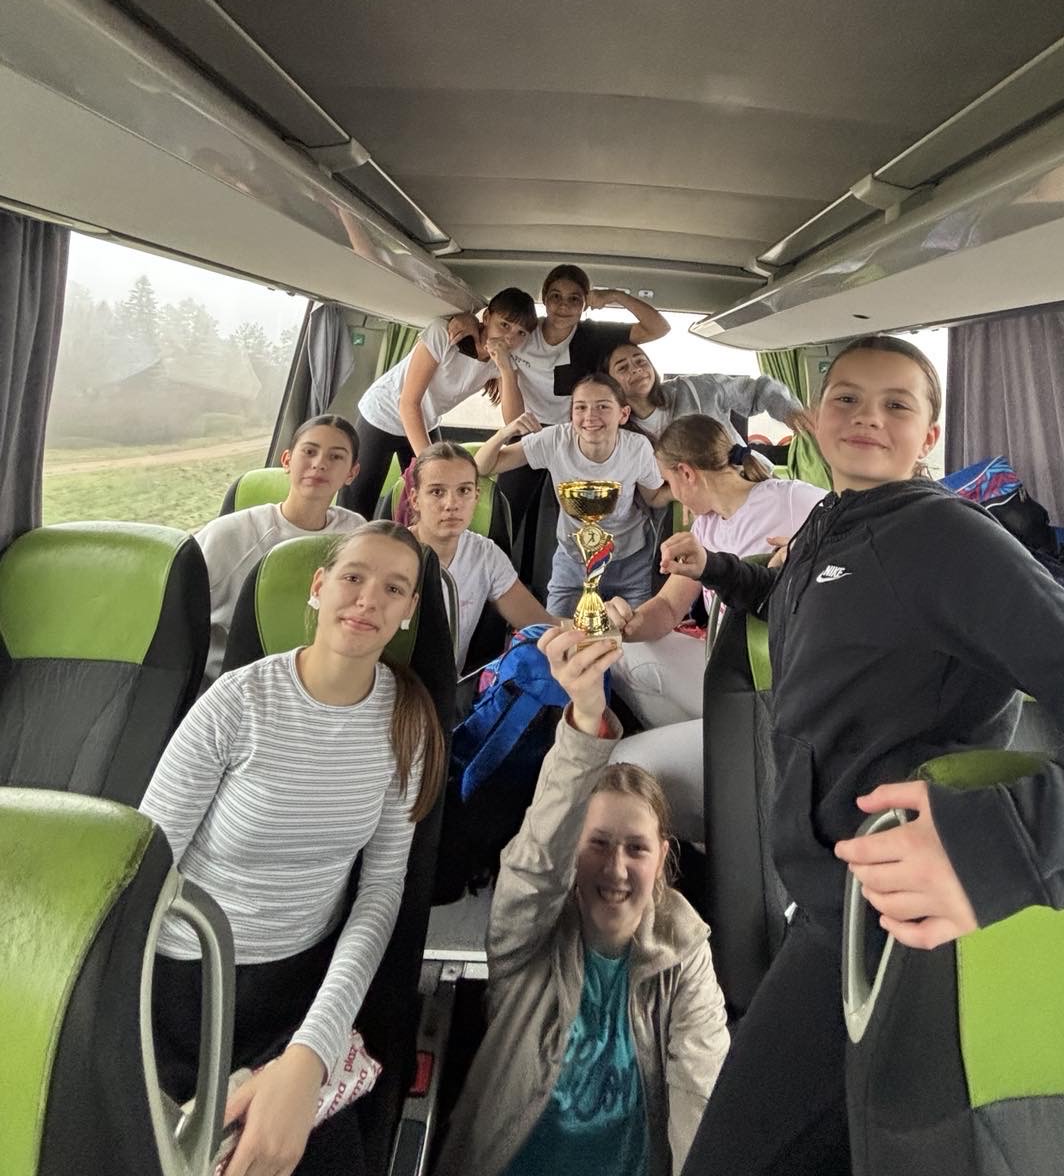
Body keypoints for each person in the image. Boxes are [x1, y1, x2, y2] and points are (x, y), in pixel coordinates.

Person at [656, 334, 1064, 1176]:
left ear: (929, 436)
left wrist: (1003, 846)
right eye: (846, 398)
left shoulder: (945, 538)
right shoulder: (834, 522)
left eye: (896, 404)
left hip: (891, 927)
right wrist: (726, 571)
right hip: (827, 905)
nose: (867, 417)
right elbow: (810, 596)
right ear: (812, 420)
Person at [141, 522, 446, 1176]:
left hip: (300, 988)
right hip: (180, 982)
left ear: (408, 611)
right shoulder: (236, 703)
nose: (369, 599)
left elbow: (379, 895)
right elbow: (144, 868)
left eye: (394, 589)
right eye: (353, 577)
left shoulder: (408, 724)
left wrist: (312, 1049)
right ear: (318, 587)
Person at [433, 625, 729, 1176]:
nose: (616, 869)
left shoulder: (684, 951)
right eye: (597, 844)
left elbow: (700, 1088)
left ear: (663, 856)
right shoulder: (528, 939)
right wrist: (587, 715)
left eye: (636, 849)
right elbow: (536, 859)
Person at [601, 416, 824, 842]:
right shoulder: (706, 526)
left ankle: (718, 795)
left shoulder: (790, 500)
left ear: (686, 473)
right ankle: (713, 770)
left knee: (625, 764)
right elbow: (669, 607)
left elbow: (852, 530)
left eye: (669, 482)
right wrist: (627, 623)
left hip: (776, 686)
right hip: (727, 673)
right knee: (625, 653)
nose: (670, 494)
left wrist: (805, 552)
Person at [474, 374, 672, 615]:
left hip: (630, 561)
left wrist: (683, 490)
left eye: (603, 406)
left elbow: (653, 498)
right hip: (572, 561)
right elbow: (483, 466)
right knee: (556, 631)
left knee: (636, 634)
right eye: (580, 407)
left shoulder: (637, 447)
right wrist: (505, 433)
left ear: (623, 414)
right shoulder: (555, 439)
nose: (590, 416)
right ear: (571, 415)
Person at [196, 414, 365, 677]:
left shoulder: (355, 533)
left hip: (318, 674)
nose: (320, 464)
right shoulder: (229, 534)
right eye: (309, 452)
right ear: (286, 460)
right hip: (233, 674)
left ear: (352, 473)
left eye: (336, 457)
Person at [345, 288, 538, 517]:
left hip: (425, 420)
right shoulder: (444, 333)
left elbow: (513, 421)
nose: (510, 338)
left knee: (434, 501)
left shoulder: (504, 361)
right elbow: (408, 403)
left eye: (520, 333)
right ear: (486, 317)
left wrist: (505, 368)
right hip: (382, 414)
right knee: (357, 506)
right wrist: (430, 463)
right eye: (504, 325)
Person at [405, 441, 563, 669]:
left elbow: (544, 626)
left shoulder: (485, 556)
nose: (451, 504)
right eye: (437, 492)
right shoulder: (388, 553)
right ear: (415, 499)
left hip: (450, 686)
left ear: (476, 497)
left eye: (464, 491)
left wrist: (602, 627)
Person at [508, 265, 671, 427]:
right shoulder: (522, 332)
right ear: (544, 299)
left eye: (574, 299)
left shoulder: (593, 335)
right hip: (529, 424)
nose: (564, 306)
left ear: (585, 304)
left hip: (577, 429)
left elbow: (659, 328)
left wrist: (616, 296)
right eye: (556, 296)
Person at [605, 342, 812, 448]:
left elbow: (758, 389)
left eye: (641, 361)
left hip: (745, 479)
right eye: (623, 368)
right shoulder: (618, 430)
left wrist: (790, 411)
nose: (636, 369)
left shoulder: (696, 388)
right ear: (610, 382)